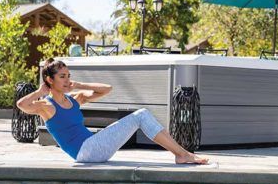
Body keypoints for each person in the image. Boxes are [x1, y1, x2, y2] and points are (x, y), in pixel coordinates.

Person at [16, 58, 209, 164]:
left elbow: (106, 89)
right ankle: (183, 154)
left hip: (93, 147)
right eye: (62, 77)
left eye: (68, 76)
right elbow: (21, 105)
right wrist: (40, 91)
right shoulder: (47, 105)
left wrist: (79, 84)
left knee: (141, 116)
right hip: (86, 151)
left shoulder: (74, 100)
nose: (67, 80)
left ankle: (182, 153)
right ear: (50, 80)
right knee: (140, 115)